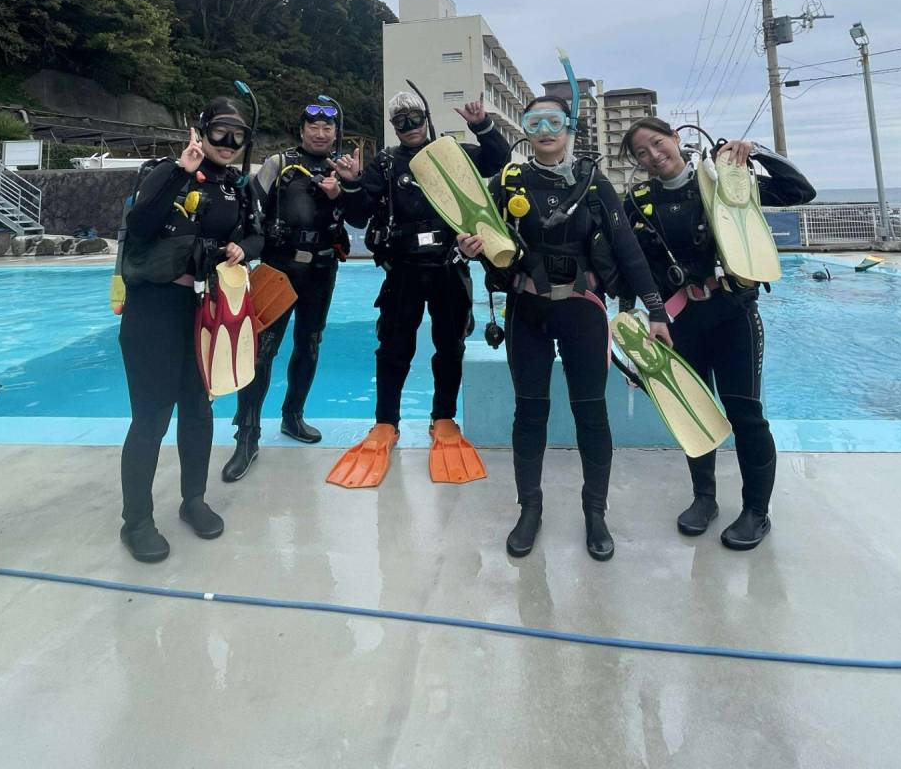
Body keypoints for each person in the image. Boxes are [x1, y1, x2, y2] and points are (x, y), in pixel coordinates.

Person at [458, 96, 671, 560]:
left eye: (554, 121)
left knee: (591, 414)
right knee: (529, 413)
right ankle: (529, 510)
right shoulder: (507, 182)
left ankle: (595, 513)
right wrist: (467, 246)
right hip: (527, 312)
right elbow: (477, 229)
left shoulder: (594, 184)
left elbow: (627, 248)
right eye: (535, 122)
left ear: (569, 126)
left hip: (583, 313)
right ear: (525, 129)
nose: (545, 130)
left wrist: (655, 311)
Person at [620, 117, 815, 550]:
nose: (654, 156)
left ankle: (756, 511)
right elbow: (630, 266)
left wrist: (756, 152)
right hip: (680, 322)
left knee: (745, 414)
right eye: (641, 153)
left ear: (676, 138)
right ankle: (704, 499)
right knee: (693, 410)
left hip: (733, 315)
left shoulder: (722, 182)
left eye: (658, 143)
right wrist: (634, 326)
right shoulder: (637, 203)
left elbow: (800, 192)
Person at [328, 90, 511, 485]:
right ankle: (386, 422)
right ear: (393, 127)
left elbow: (498, 160)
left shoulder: (451, 154)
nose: (409, 127)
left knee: (450, 345)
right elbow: (359, 217)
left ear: (426, 118)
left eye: (414, 118)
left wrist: (482, 126)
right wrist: (353, 183)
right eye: (400, 122)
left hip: (449, 265)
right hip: (403, 269)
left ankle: (443, 417)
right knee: (393, 348)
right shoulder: (385, 164)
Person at [117, 96, 262, 562]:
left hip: (203, 312)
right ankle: (136, 521)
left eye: (238, 135)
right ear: (202, 130)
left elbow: (258, 234)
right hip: (154, 310)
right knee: (152, 416)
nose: (229, 142)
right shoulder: (166, 171)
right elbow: (140, 226)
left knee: (198, 409)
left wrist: (243, 249)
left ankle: (193, 500)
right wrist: (183, 170)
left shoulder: (237, 187)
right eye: (220, 131)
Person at [222, 99, 350, 481]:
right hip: (279, 268)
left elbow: (359, 214)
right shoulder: (278, 164)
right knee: (262, 351)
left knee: (309, 345)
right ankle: (247, 435)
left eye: (328, 127)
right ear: (302, 129)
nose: (320, 133)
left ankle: (293, 416)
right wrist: (241, 248)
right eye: (313, 126)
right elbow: (248, 211)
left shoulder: (342, 170)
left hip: (322, 270)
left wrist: (343, 191)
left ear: (336, 133)